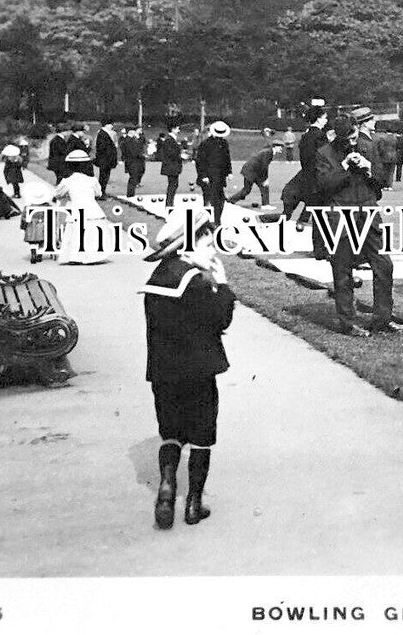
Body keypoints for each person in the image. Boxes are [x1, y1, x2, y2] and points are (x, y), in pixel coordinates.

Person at [141, 212, 235, 529]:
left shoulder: (158, 276)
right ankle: (194, 504)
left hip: (163, 371)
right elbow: (220, 319)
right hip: (197, 371)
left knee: (171, 433)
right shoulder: (194, 281)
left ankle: (167, 488)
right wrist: (221, 284)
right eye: (207, 238)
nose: (212, 244)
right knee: (200, 437)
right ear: (188, 245)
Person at [314, 109, 403, 335]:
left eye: (356, 137)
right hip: (342, 219)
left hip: (368, 216)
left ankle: (382, 319)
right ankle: (348, 322)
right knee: (343, 271)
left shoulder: (366, 149)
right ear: (338, 136)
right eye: (349, 139)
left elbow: (380, 187)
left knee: (384, 266)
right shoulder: (324, 154)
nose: (354, 143)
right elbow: (324, 186)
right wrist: (344, 167)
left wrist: (369, 170)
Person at [53, 149, 108, 264]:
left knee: (75, 233)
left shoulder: (67, 181)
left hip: (76, 209)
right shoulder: (91, 180)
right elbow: (99, 193)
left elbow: (57, 194)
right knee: (92, 232)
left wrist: (67, 195)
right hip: (92, 209)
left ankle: (76, 256)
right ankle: (94, 256)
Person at [195, 121, 232, 226]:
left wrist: (229, 172)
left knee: (220, 200)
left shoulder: (224, 143)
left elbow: (227, 158)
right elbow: (200, 161)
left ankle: (217, 220)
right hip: (208, 176)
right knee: (209, 199)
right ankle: (206, 222)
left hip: (220, 176)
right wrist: (203, 176)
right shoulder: (205, 144)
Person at [228, 141, 283, 208]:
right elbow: (264, 166)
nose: (281, 149)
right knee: (248, 190)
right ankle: (229, 201)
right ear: (275, 146)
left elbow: (263, 166)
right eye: (280, 147)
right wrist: (265, 179)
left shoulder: (269, 152)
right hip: (250, 172)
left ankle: (230, 201)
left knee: (259, 188)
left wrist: (265, 179)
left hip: (253, 172)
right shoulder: (268, 152)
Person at [155, 120, 185, 204]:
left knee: (174, 185)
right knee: (172, 185)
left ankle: (170, 202)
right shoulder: (169, 140)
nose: (179, 131)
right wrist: (181, 156)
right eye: (177, 129)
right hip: (171, 166)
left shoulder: (171, 139)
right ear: (173, 129)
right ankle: (169, 203)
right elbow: (170, 153)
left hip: (173, 166)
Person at [93, 118, 119, 195]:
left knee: (105, 177)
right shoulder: (102, 134)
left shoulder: (103, 133)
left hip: (107, 159)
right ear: (107, 125)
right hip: (105, 159)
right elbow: (102, 148)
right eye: (111, 124)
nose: (112, 126)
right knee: (103, 177)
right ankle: (101, 193)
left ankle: (102, 192)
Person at [122, 124, 148, 197]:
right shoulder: (128, 140)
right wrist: (141, 155)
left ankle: (131, 193)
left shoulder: (133, 139)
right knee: (133, 178)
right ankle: (130, 194)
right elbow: (132, 151)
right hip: (132, 161)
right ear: (130, 132)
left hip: (136, 161)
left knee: (135, 177)